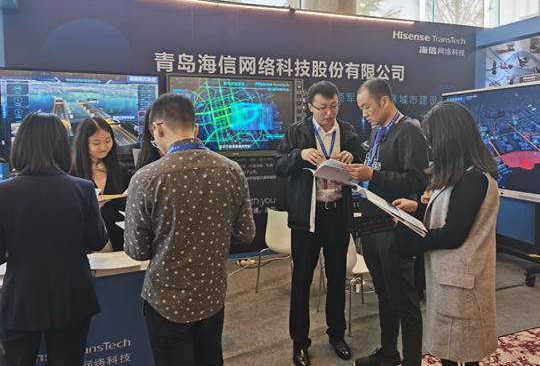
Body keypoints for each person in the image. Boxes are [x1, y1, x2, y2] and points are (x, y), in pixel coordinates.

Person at [124, 93, 255, 366]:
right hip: (212, 295)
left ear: (158, 128)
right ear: (194, 128)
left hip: (166, 301)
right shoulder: (231, 170)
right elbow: (246, 234)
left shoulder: (146, 178)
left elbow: (137, 250)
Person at [392, 101, 500, 366]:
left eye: (431, 140)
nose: (430, 148)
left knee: (461, 353)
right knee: (452, 350)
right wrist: (417, 208)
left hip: (462, 284)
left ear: (449, 139)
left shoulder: (473, 179)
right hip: (452, 280)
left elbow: (453, 234)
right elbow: (451, 213)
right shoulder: (462, 175)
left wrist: (410, 239)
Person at [0, 113, 107, 366]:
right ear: (62, 145)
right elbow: (97, 241)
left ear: (21, 145)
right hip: (73, 295)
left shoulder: (4, 192)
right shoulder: (82, 188)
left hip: (21, 298)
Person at [274, 80, 363, 366]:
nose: (329, 113)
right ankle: (300, 342)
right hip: (307, 219)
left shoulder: (347, 131)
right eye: (323, 107)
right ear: (310, 106)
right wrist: (299, 155)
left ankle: (337, 335)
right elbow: (278, 166)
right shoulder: (297, 132)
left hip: (337, 214)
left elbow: (362, 162)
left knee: (337, 279)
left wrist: (352, 157)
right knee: (302, 281)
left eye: (334, 106)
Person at [346, 78, 427, 366]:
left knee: (404, 300)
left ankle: (412, 360)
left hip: (395, 226)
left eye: (367, 107)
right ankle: (389, 353)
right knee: (383, 293)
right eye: (361, 108)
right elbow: (377, 170)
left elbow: (416, 180)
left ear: (384, 101)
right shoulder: (378, 131)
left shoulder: (409, 130)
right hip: (372, 223)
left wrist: (373, 176)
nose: (364, 113)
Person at [71, 117, 131, 251]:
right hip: (87, 243)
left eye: (108, 141)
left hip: (120, 239)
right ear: (83, 144)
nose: (103, 147)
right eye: (96, 143)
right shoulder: (72, 173)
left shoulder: (121, 171)